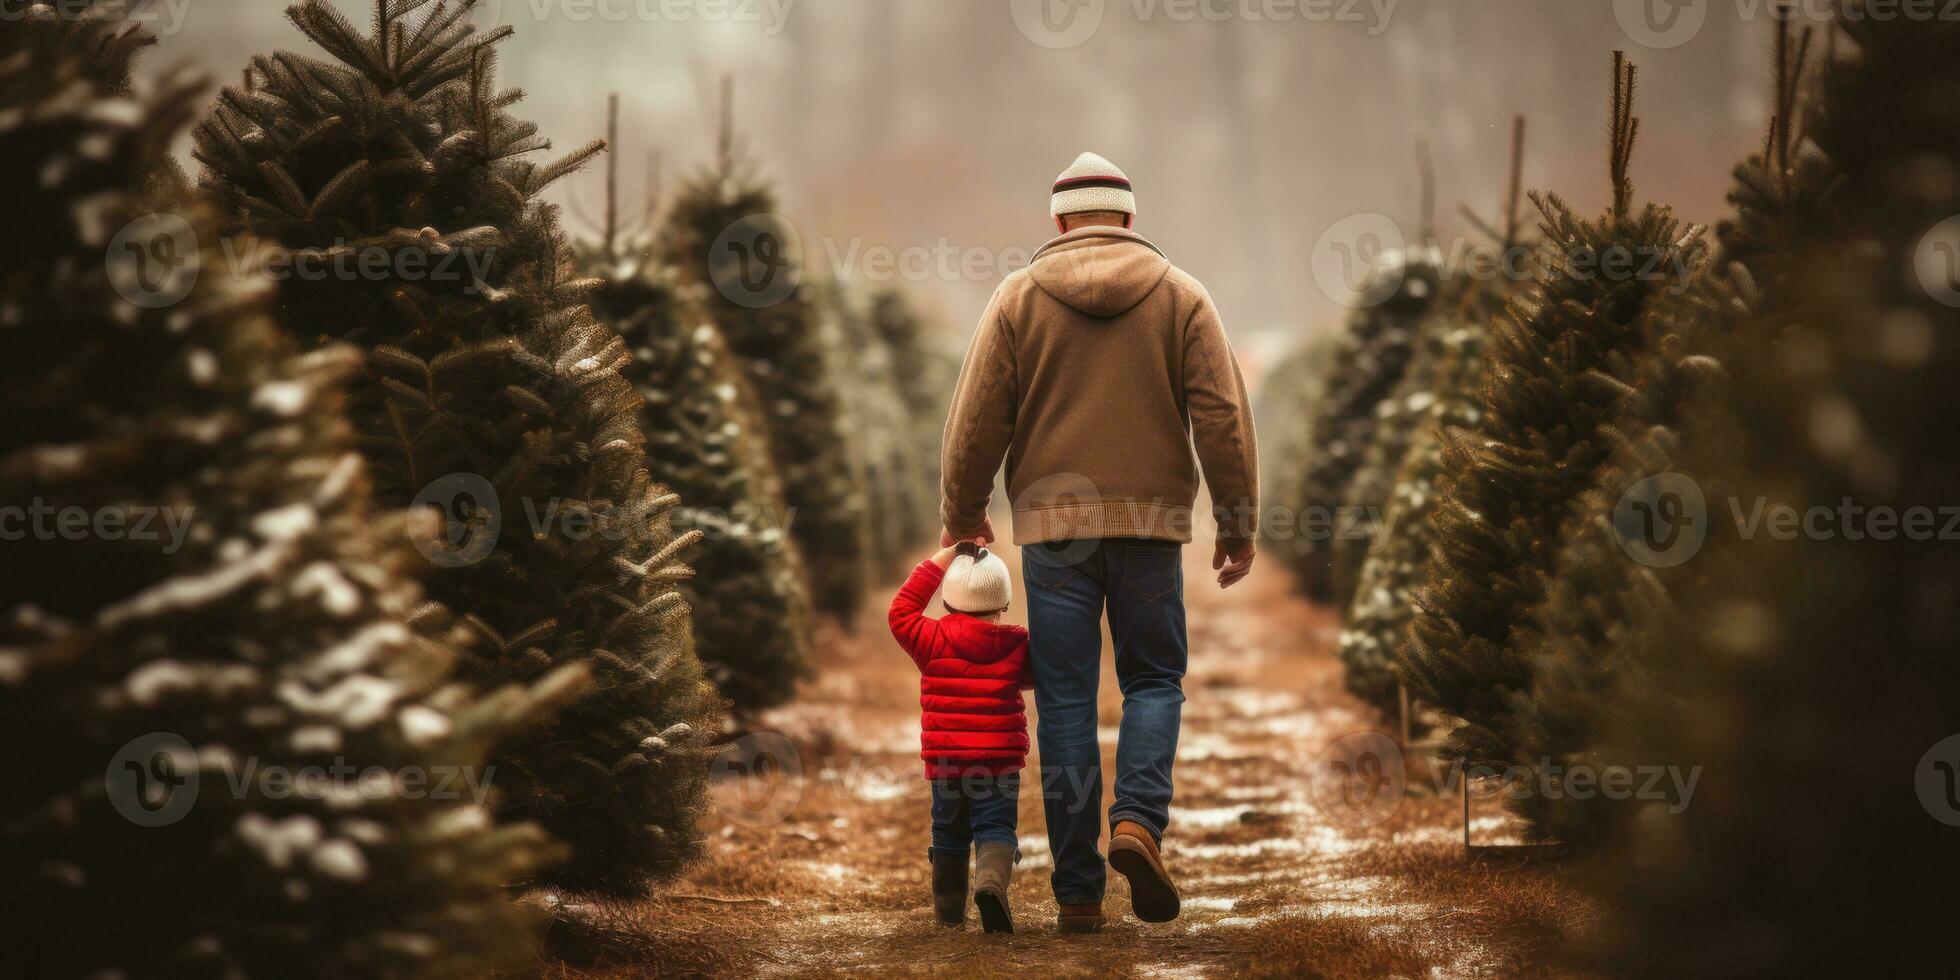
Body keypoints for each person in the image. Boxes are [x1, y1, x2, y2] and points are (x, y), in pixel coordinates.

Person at [938, 151, 1259, 933]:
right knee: (1154, 681)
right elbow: (1220, 415)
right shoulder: (1182, 298)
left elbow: (978, 418)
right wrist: (1238, 522)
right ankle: (1138, 823)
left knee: (1068, 703)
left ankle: (1078, 893)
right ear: (1129, 218)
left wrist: (964, 512)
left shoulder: (1017, 299)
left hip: (1054, 535)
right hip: (1150, 528)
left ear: (1058, 222)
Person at [887, 540, 1032, 934]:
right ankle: (990, 885)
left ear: (948, 601)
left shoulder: (930, 638)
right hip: (998, 762)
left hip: (946, 761)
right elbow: (1043, 675)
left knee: (948, 832)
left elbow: (900, 612)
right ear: (1002, 603)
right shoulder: (1017, 644)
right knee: (996, 829)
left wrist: (942, 559)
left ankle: (949, 915)